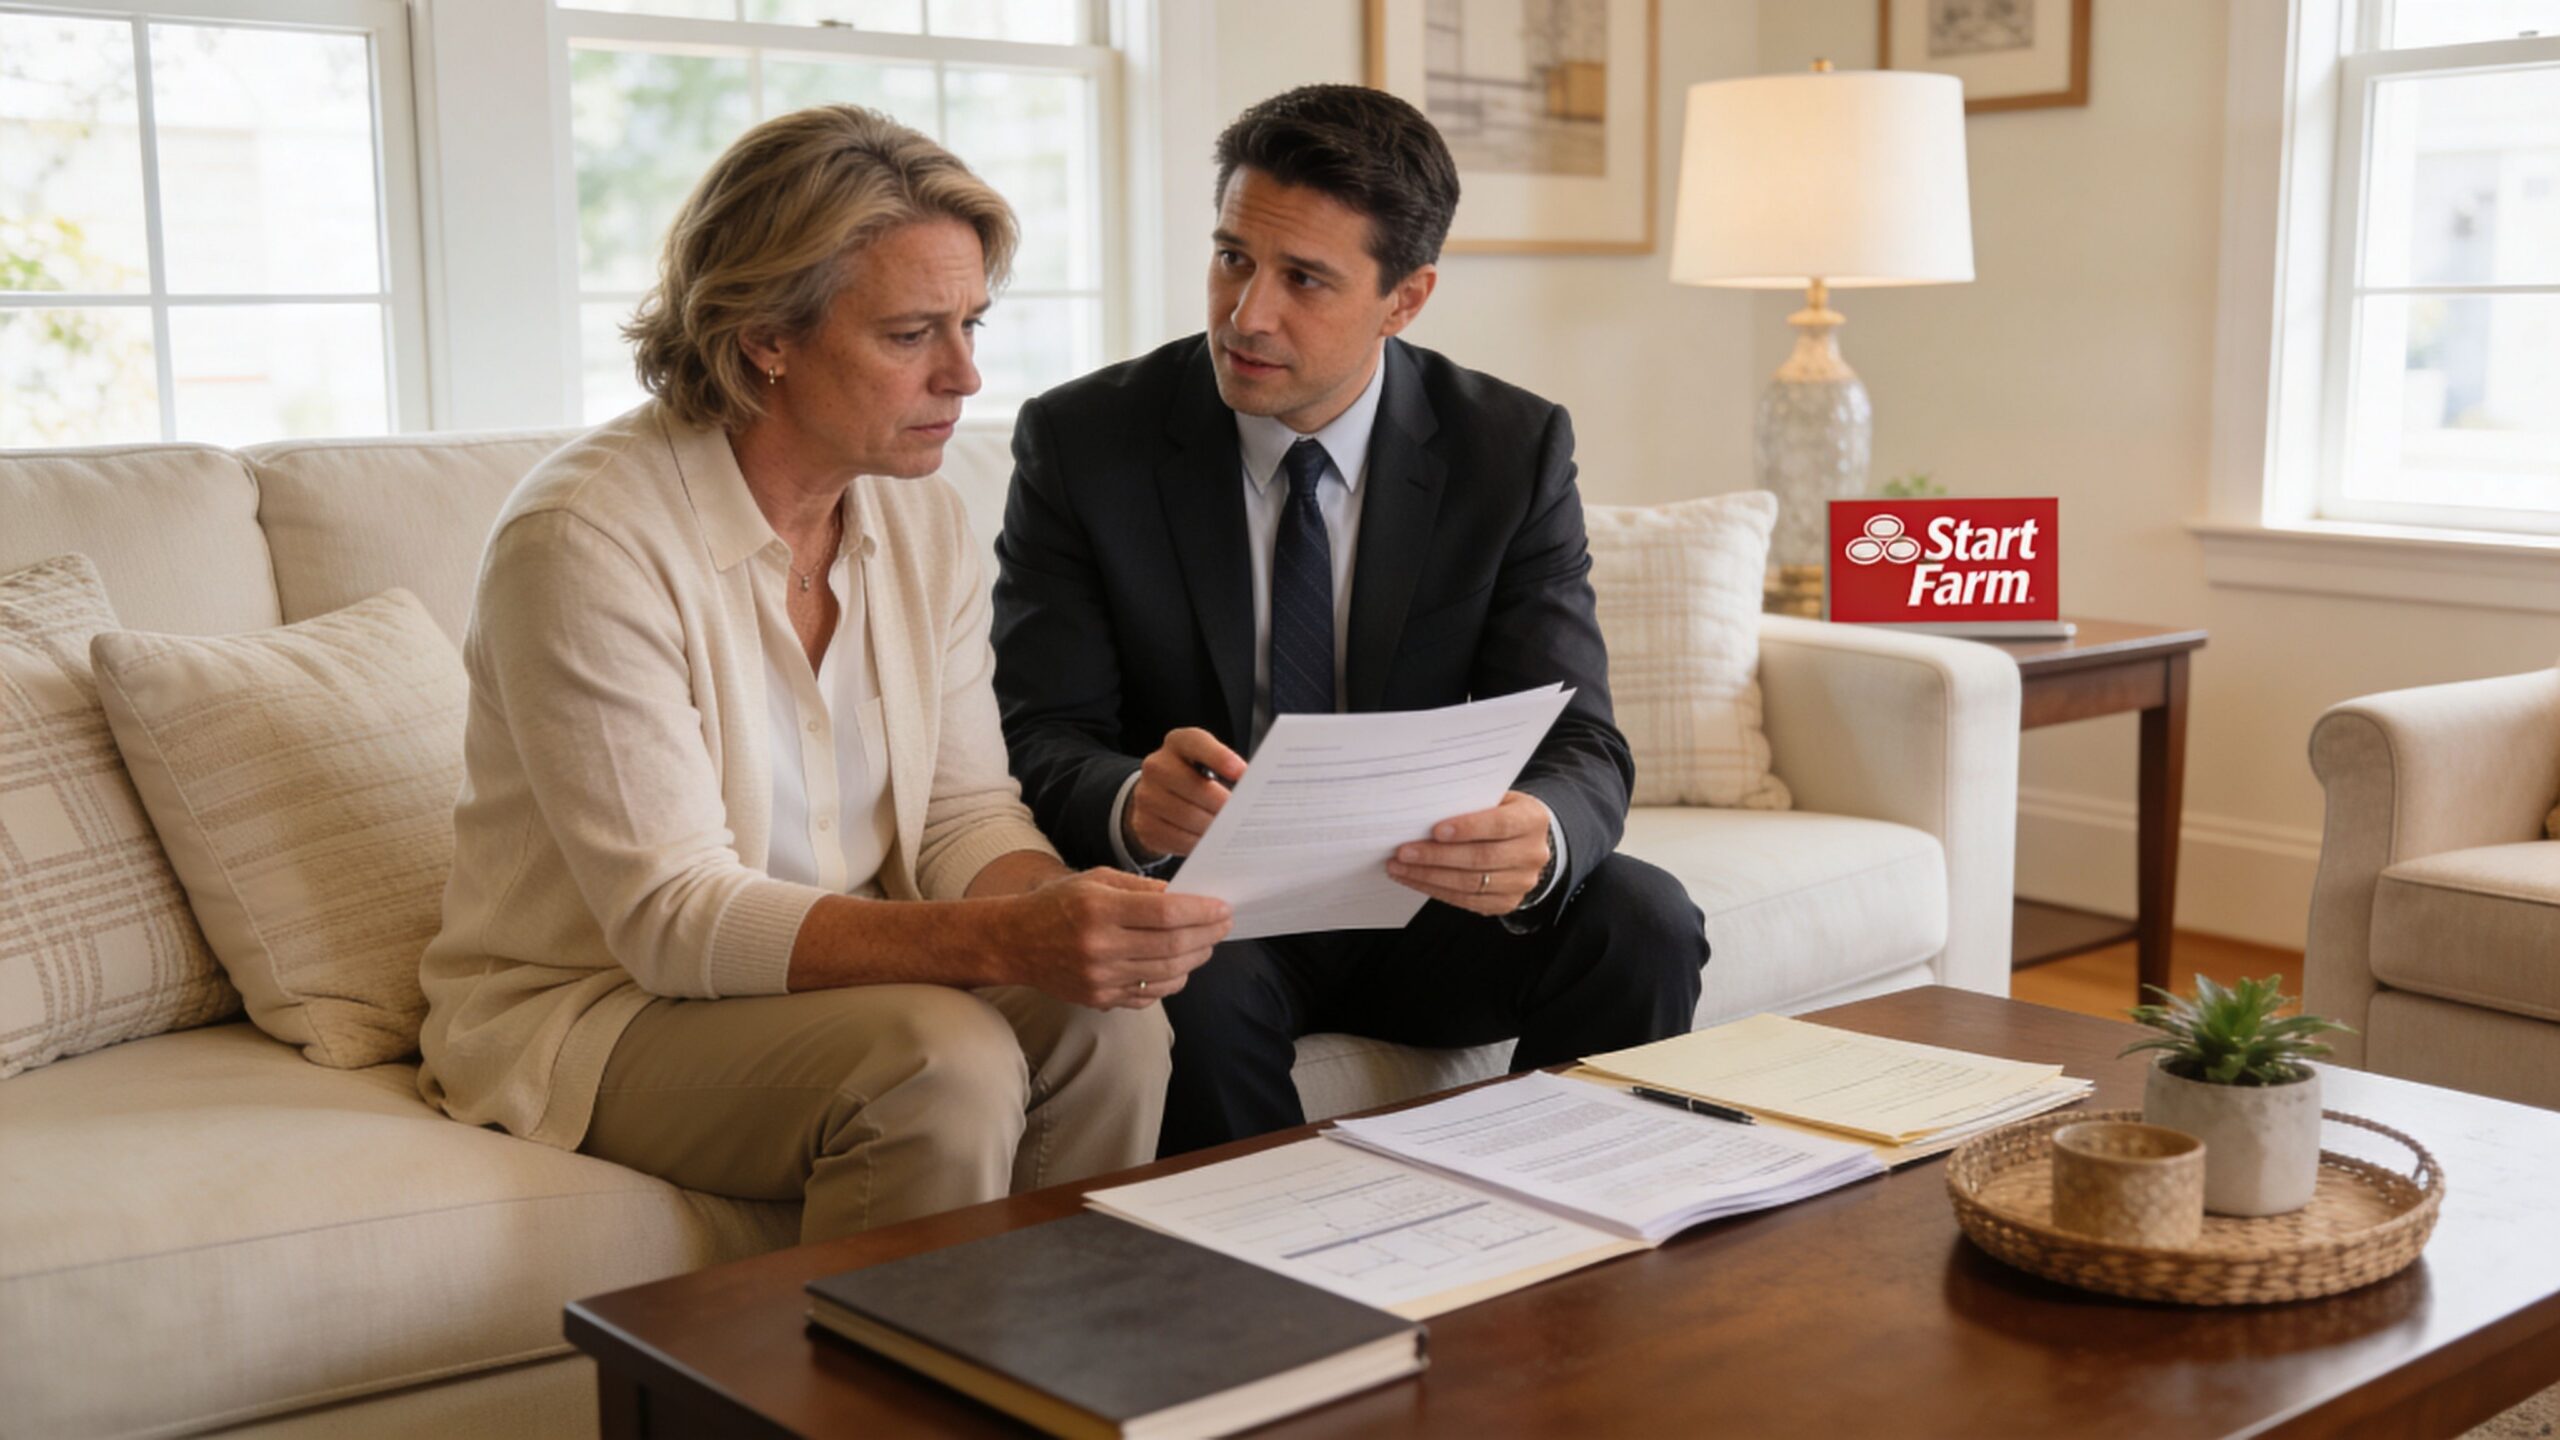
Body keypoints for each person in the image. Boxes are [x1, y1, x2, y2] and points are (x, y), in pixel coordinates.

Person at [416, 105, 1230, 1242]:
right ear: (766, 335)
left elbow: (959, 814)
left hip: (845, 973)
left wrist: (1066, 916)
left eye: (971, 324)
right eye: (910, 335)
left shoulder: (922, 516)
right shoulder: (583, 540)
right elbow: (670, 917)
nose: (964, 376)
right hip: (599, 1006)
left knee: (1112, 1022)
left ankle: (1061, 1381)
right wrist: (1003, 943)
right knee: (936, 1061)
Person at [991, 85, 1707, 1156]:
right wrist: (1134, 800)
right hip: (1215, 910)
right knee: (1191, 989)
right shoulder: (1085, 441)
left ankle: (1571, 1265)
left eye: (1303, 279)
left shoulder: (1505, 449)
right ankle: (1279, 1301)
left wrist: (1541, 836)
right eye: (1233, 256)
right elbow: (1037, 734)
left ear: (1404, 299)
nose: (1246, 314)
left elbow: (1582, 740)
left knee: (1643, 920)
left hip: (1427, 898)